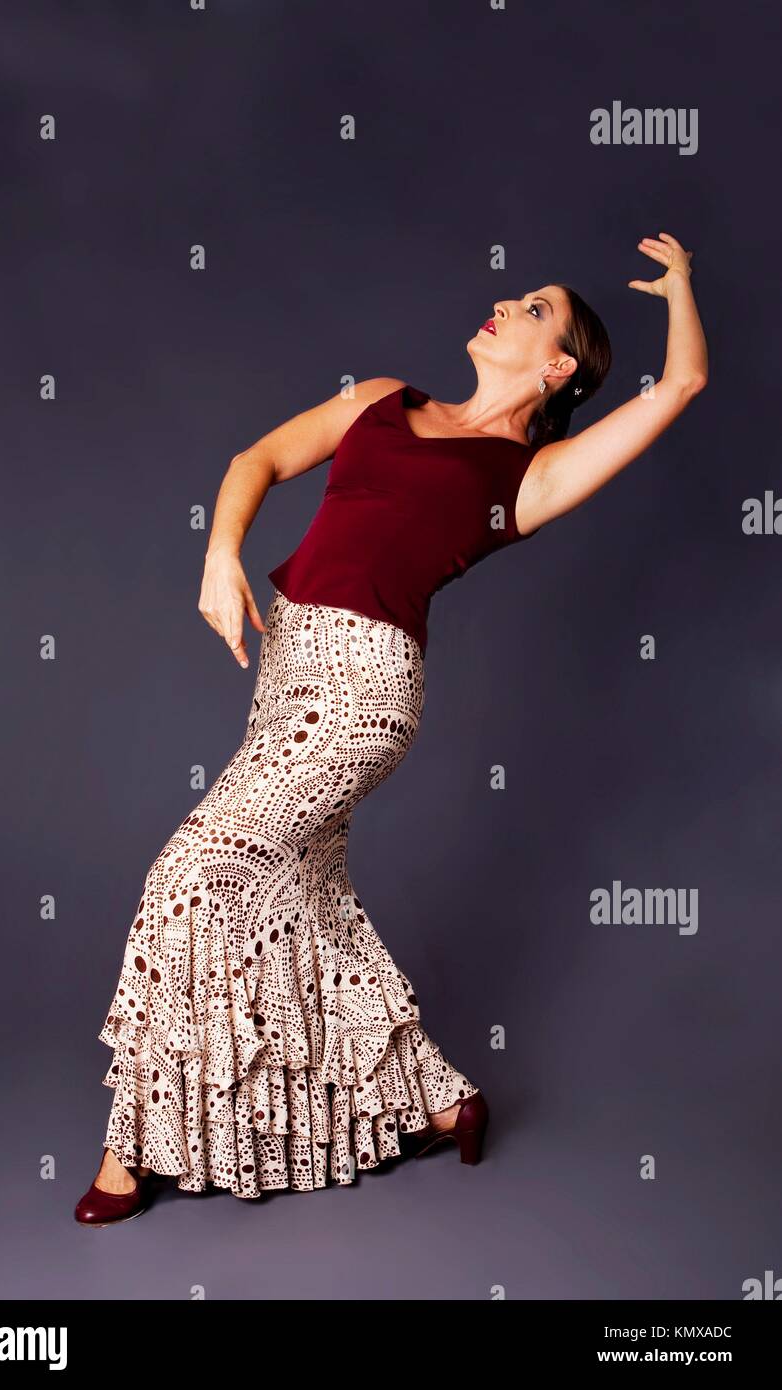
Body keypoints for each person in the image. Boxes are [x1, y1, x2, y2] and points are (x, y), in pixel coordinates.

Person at [75, 232, 707, 1225]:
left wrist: (676, 292)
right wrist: (220, 552)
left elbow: (676, 388)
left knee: (192, 874)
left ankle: (131, 1145)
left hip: (362, 694)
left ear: (557, 367)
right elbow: (260, 457)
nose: (505, 301)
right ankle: (437, 1096)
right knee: (303, 895)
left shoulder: (524, 478)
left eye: (533, 307)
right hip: (284, 664)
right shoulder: (380, 396)